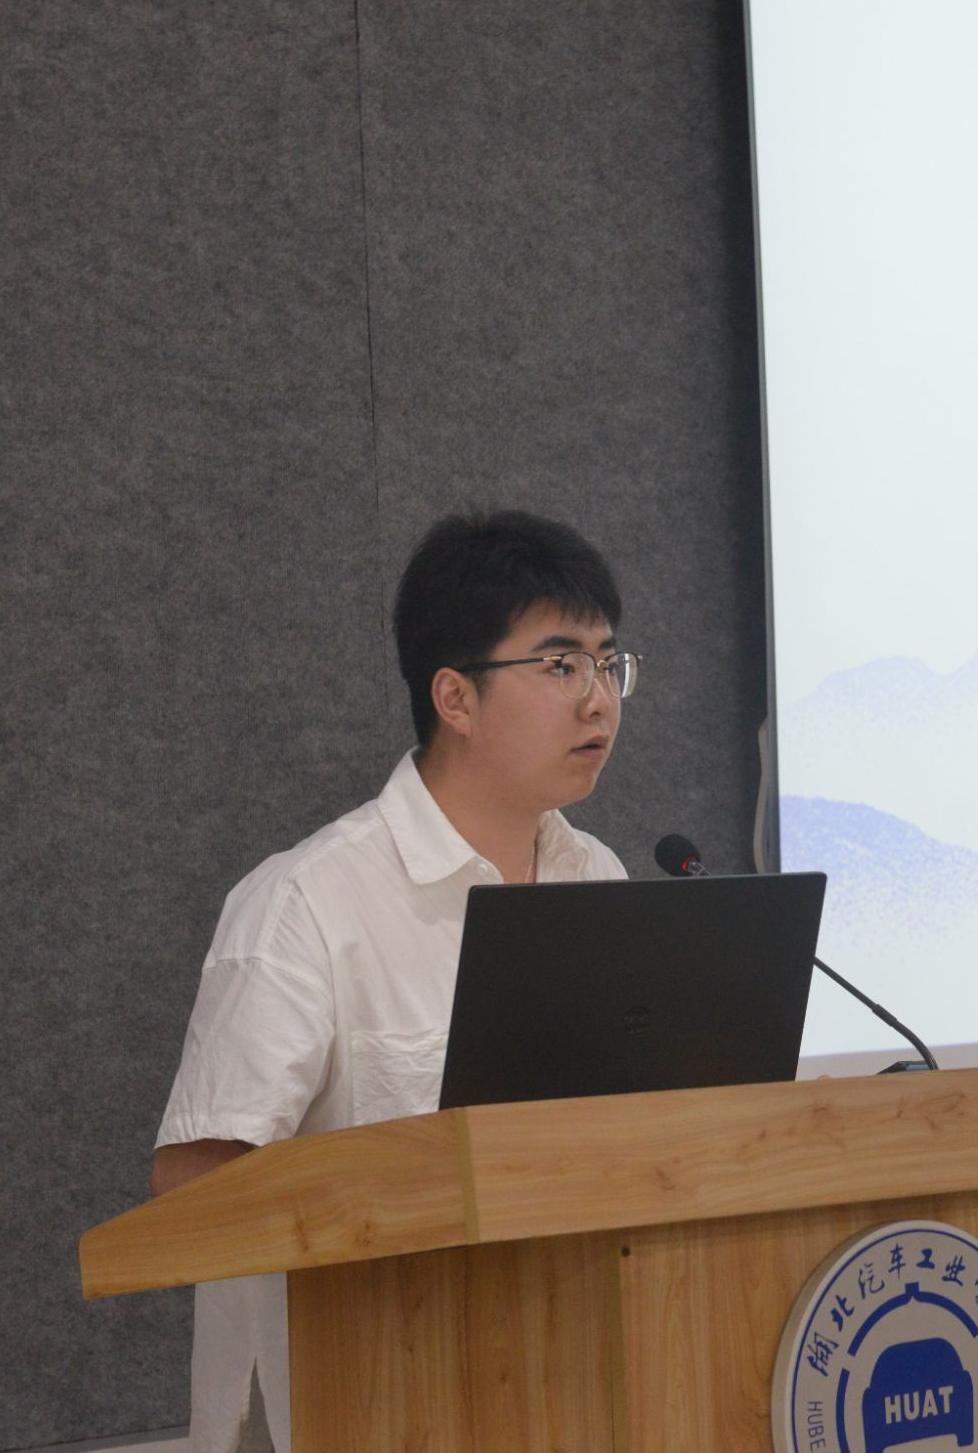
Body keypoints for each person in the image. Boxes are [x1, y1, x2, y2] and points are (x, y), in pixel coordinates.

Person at [149, 511, 639, 1452]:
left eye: (609, 663)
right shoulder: (307, 902)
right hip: (361, 1397)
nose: (598, 702)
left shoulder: (599, 879)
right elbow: (193, 1186)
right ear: (455, 697)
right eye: (560, 665)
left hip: (565, 1380)